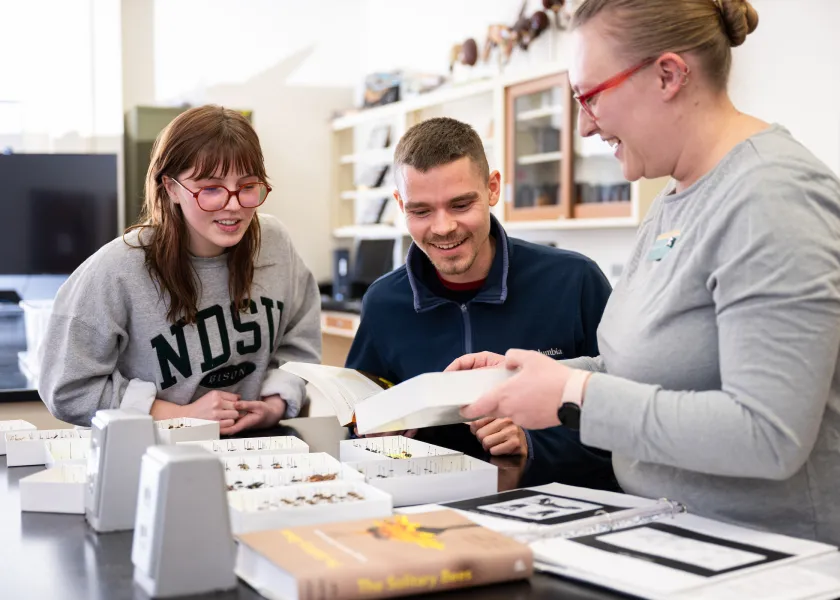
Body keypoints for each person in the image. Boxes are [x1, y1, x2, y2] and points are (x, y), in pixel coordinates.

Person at [450, 0, 840, 545]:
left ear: (669, 75)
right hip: (671, 532)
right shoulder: (675, 196)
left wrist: (576, 393)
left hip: (769, 553)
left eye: (591, 96)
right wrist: (534, 377)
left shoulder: (771, 197)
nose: (585, 125)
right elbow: (652, 363)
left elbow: (770, 434)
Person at [345, 117, 618, 490]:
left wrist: (533, 442)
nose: (442, 228)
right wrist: (374, 435)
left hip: (555, 513)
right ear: (400, 204)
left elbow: (628, 418)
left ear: (492, 189)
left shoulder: (575, 281)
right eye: (421, 211)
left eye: (460, 204)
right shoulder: (383, 302)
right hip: (428, 514)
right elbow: (359, 422)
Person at [39, 105, 322, 435]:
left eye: (247, 187)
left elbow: (300, 342)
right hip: (147, 460)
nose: (233, 205)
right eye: (211, 188)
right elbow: (67, 387)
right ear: (171, 188)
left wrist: (274, 405)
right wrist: (178, 414)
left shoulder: (274, 243)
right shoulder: (116, 269)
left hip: (253, 451)